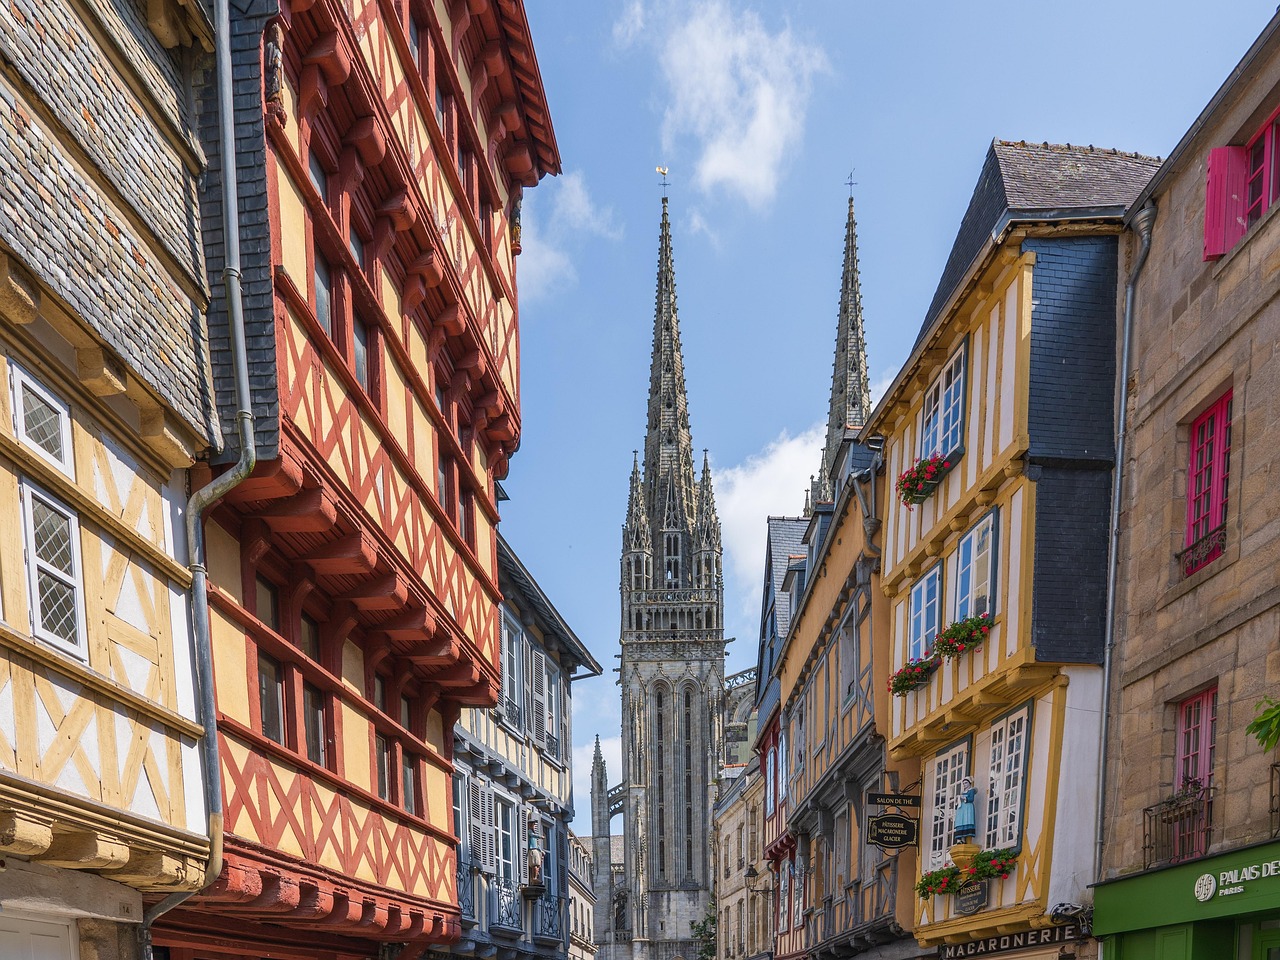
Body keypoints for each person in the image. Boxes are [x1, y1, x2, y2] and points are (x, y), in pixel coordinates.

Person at [953, 777, 977, 843]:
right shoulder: (962, 792)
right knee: (961, 821)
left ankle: (964, 838)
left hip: (968, 807)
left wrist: (964, 798)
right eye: (963, 783)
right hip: (962, 808)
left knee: (966, 820)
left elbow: (971, 799)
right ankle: (960, 839)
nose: (964, 785)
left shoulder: (971, 791)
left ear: (969, 783)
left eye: (966, 783)